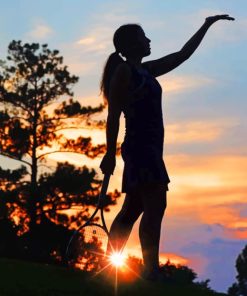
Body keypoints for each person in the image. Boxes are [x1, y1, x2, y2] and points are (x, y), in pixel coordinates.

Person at [99, 14, 234, 280]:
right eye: (143, 36)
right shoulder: (124, 71)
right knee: (155, 203)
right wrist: (109, 153)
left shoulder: (145, 71)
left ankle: (108, 268)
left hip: (149, 148)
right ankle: (151, 270)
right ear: (131, 45)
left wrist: (206, 25)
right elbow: (113, 115)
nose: (149, 40)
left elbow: (182, 55)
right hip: (140, 148)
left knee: (132, 209)